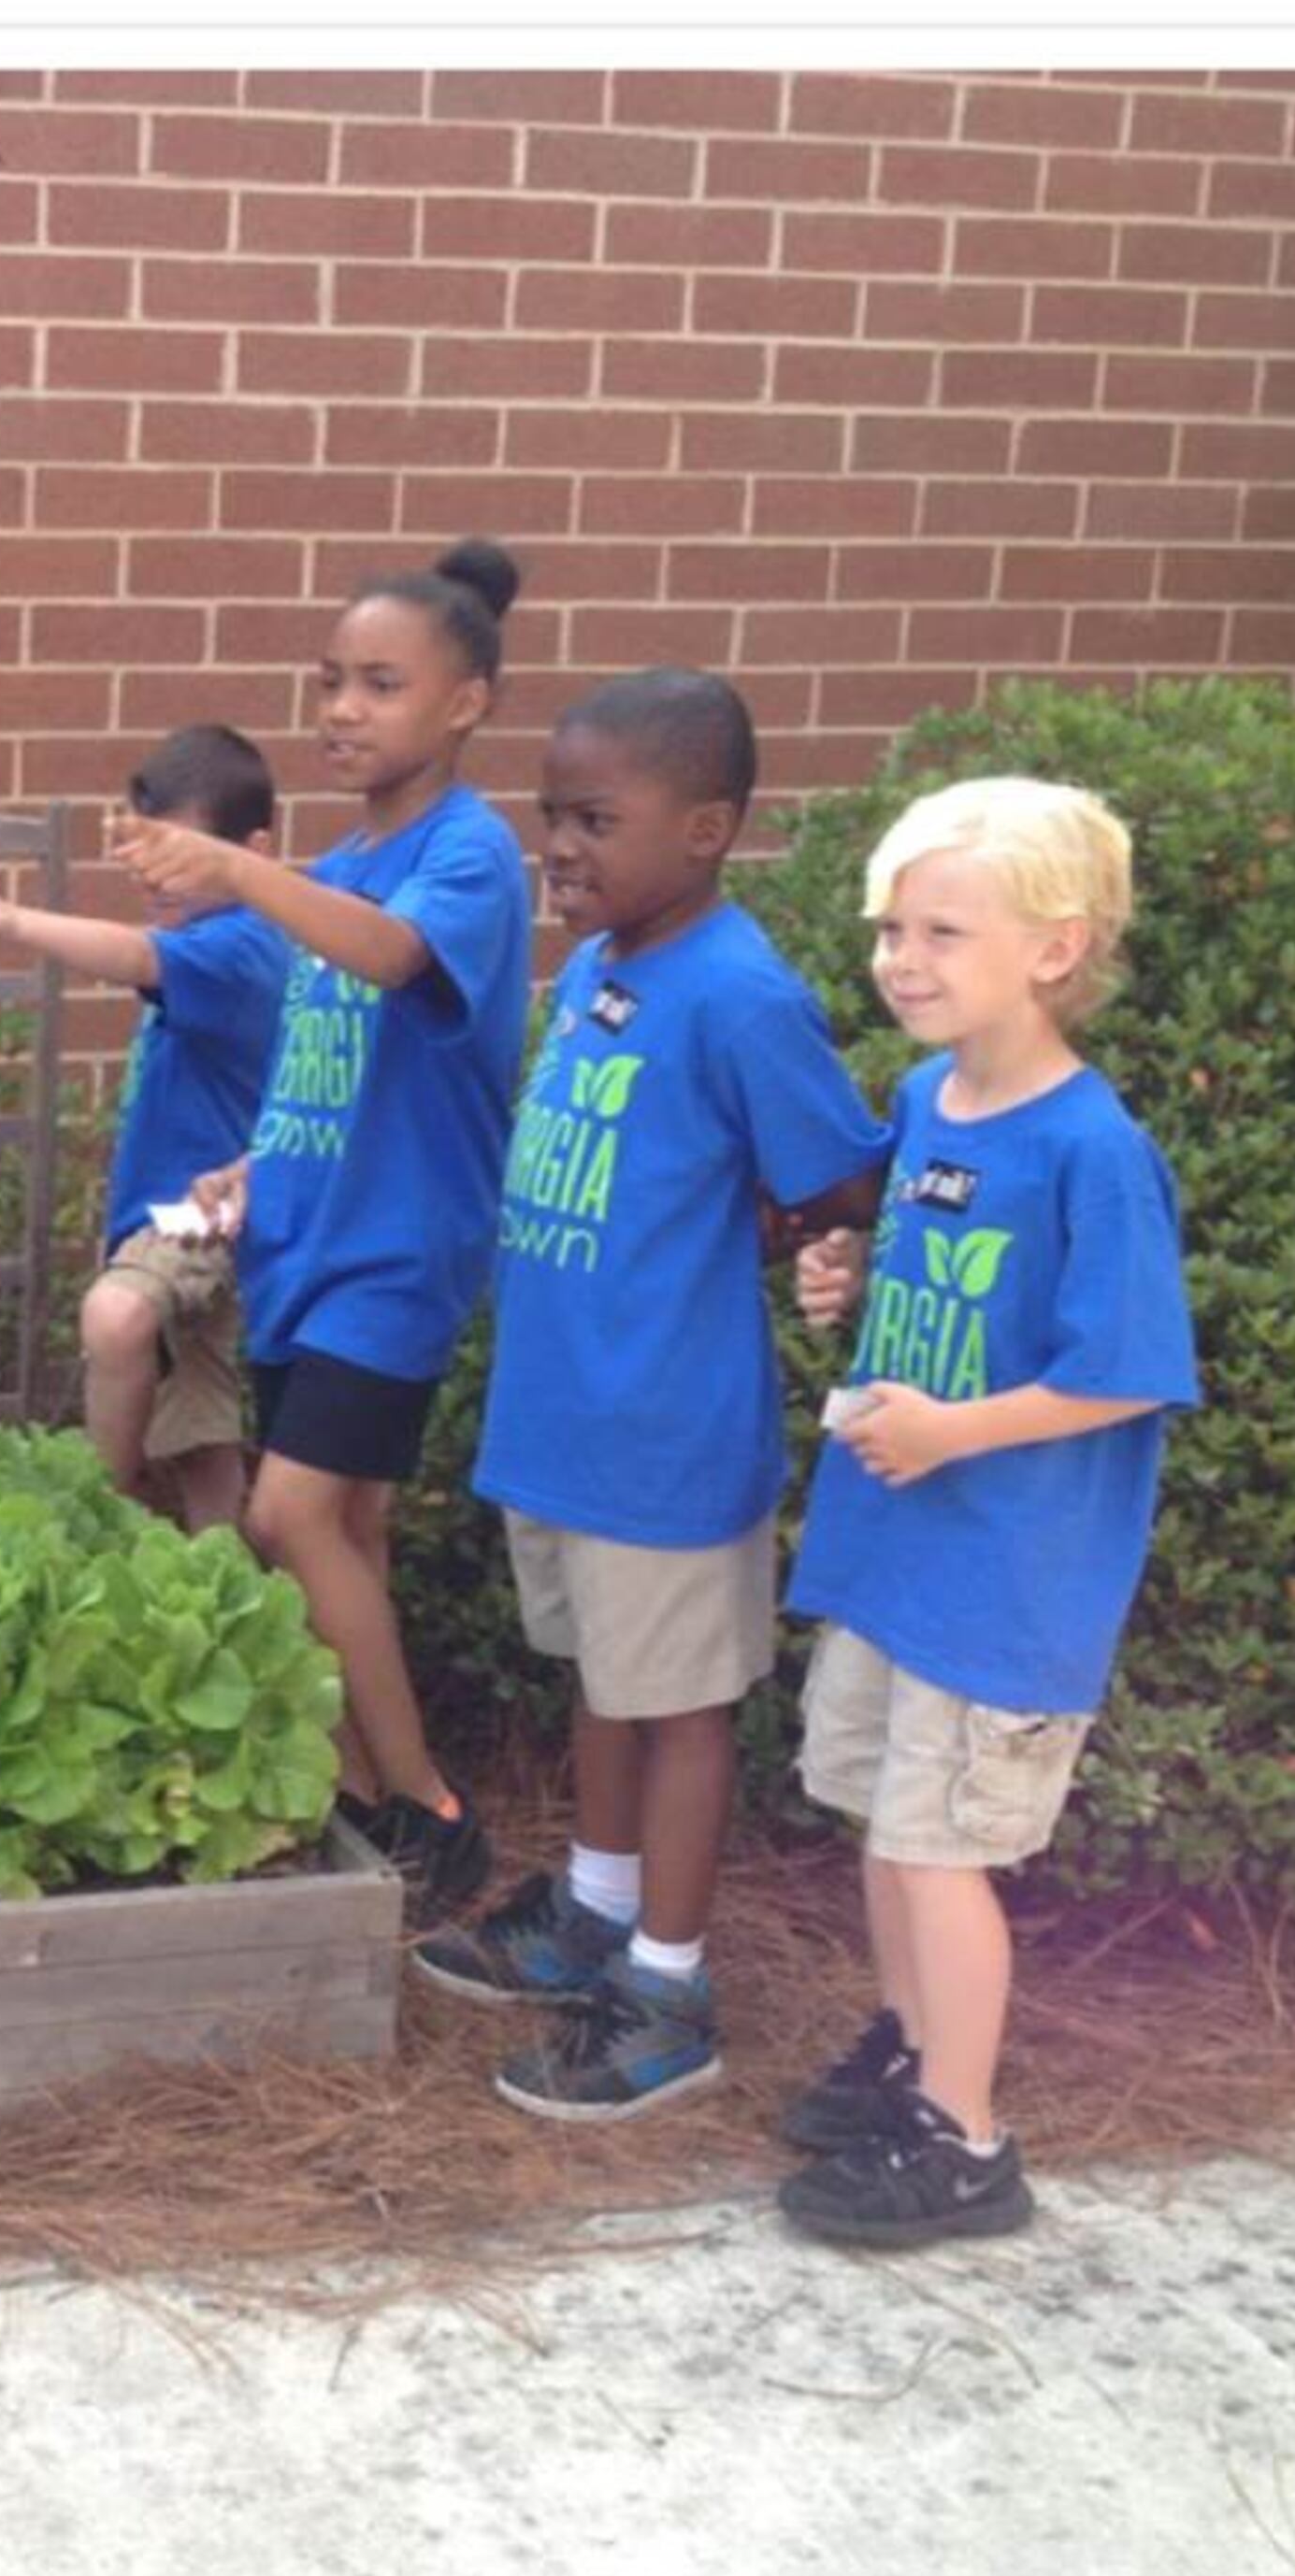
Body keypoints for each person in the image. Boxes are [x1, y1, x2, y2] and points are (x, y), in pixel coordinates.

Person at [415, 669, 890, 2120]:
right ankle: (592, 1913)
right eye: (550, 813)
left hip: (666, 1432)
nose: (558, 845)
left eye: (596, 819)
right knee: (604, 1682)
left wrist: (778, 1238)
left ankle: (670, 1989)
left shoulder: (739, 992)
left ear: (708, 829)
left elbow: (839, 1178)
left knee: (679, 1707)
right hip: (563, 1427)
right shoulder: (609, 969)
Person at [775, 778, 1199, 2244]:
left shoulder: (1093, 1146)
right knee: (890, 1831)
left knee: (940, 1847)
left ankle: (965, 2137)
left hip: (1006, 1574)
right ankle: (910, 2051)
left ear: (1056, 946)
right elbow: (926, 1273)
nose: (903, 956)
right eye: (894, 926)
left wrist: (958, 1428)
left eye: (945, 929)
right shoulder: (926, 1100)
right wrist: (845, 1281)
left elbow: (1126, 1370)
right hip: (898, 1554)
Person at [105, 537, 534, 1925]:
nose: (343, 709)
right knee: (341, 1527)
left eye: (381, 683)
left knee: (287, 1512)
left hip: (396, 1256)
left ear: (465, 701)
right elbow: (319, 1067)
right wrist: (248, 1164)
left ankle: (434, 1810)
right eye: (330, 682)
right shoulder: (342, 860)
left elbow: (393, 956)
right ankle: (358, 1792)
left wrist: (234, 871)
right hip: (300, 1241)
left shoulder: (463, 854)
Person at [0, 723, 290, 1532]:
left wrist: (11, 921)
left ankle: (104, 1508)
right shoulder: (214, 937)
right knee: (203, 1443)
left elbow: (134, 956)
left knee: (115, 1315)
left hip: (197, 1216)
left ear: (255, 851)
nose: (152, 871)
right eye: (142, 847)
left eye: (178, 850)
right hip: (183, 1216)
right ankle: (227, 1600)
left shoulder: (235, 946)